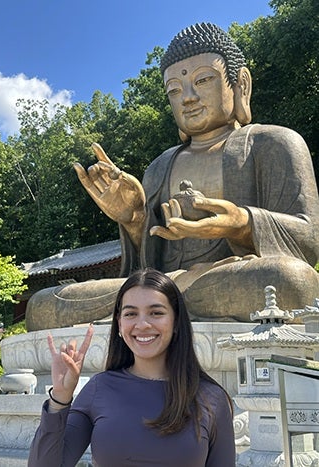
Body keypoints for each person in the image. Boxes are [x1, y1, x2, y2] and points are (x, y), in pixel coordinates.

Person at [26, 22, 319, 331]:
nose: (188, 98)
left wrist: (241, 223)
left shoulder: (272, 142)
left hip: (229, 278)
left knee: (290, 280)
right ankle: (167, 299)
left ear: (240, 85)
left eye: (203, 80)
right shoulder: (160, 165)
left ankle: (158, 305)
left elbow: (308, 241)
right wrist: (135, 219)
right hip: (164, 286)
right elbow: (146, 266)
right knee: (45, 304)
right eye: (175, 91)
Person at [28, 269, 236, 467]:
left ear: (176, 322)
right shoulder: (99, 388)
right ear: (119, 324)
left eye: (156, 313)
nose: (142, 324)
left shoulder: (211, 398)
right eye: (130, 314)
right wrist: (60, 398)